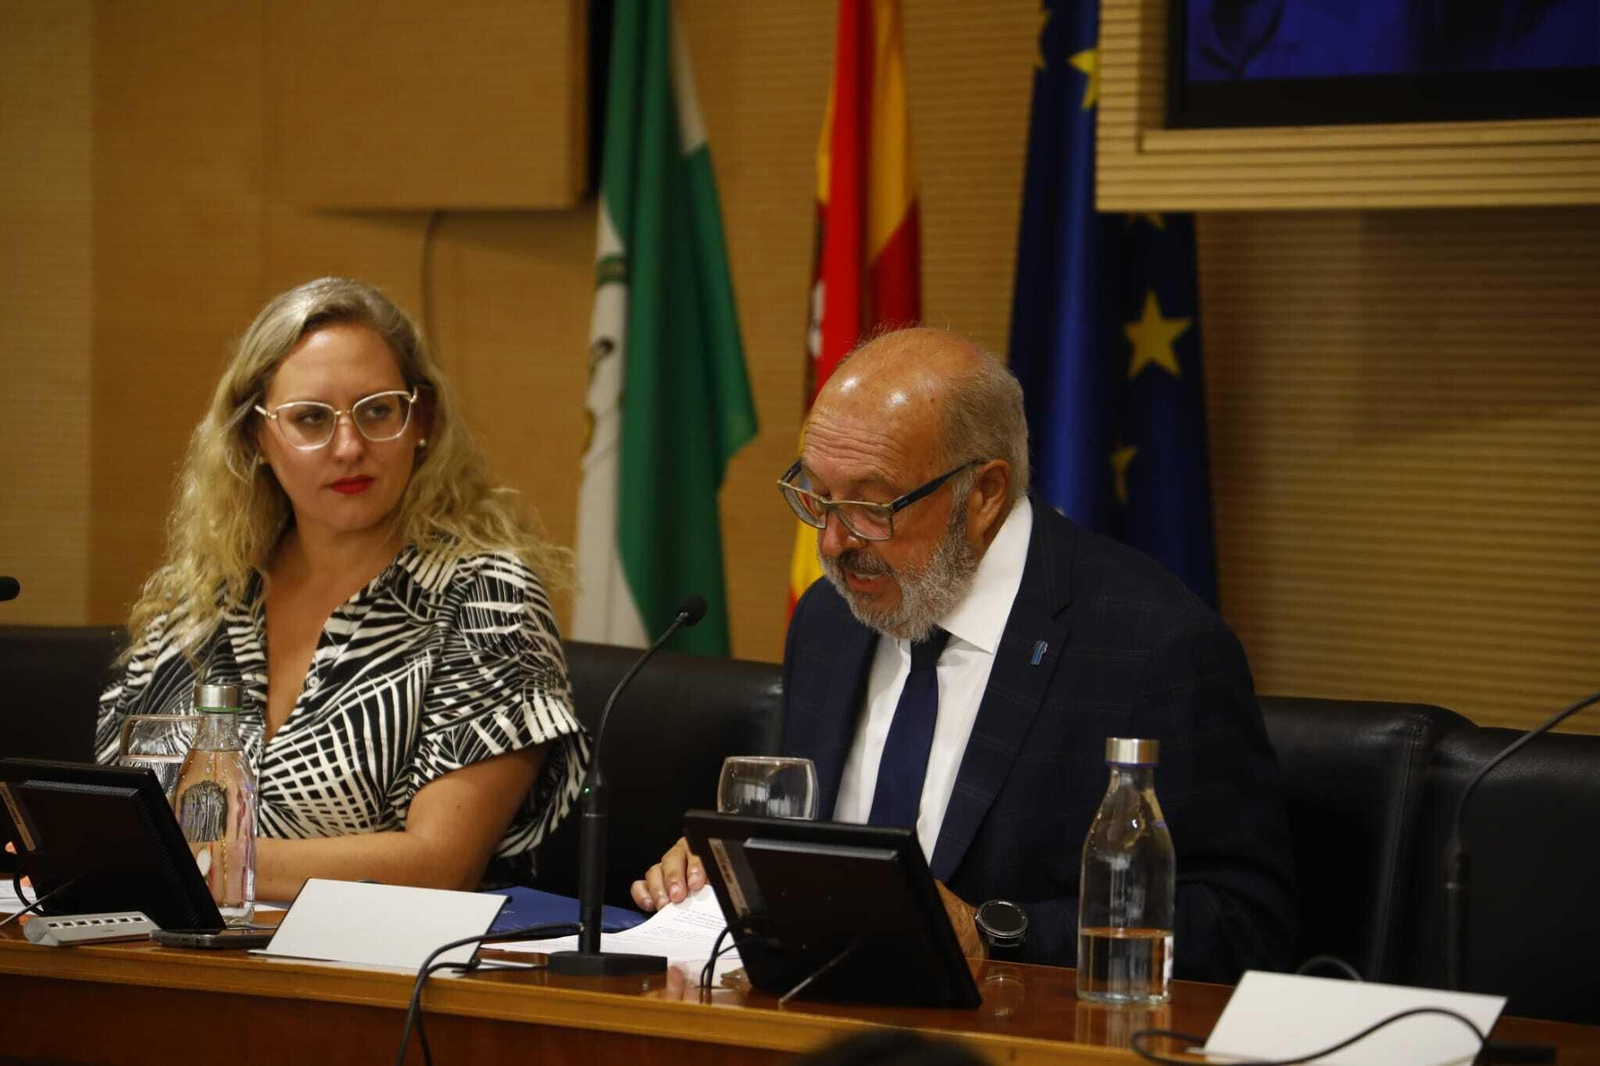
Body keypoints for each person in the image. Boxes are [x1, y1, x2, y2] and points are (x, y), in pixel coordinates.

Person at [632, 327, 1296, 983]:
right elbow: (810, 844)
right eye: (816, 495)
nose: (831, 543)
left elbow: (1243, 924)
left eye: (869, 504)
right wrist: (732, 868)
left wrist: (997, 931)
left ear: (984, 494)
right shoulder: (829, 619)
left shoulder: (1152, 646)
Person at [96, 277, 587, 898]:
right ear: (257, 438)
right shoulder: (200, 600)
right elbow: (120, 814)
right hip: (175, 960)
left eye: (378, 410)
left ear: (421, 420)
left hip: (389, 980)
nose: (349, 447)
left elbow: (441, 864)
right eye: (309, 419)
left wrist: (195, 859)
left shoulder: (485, 597)